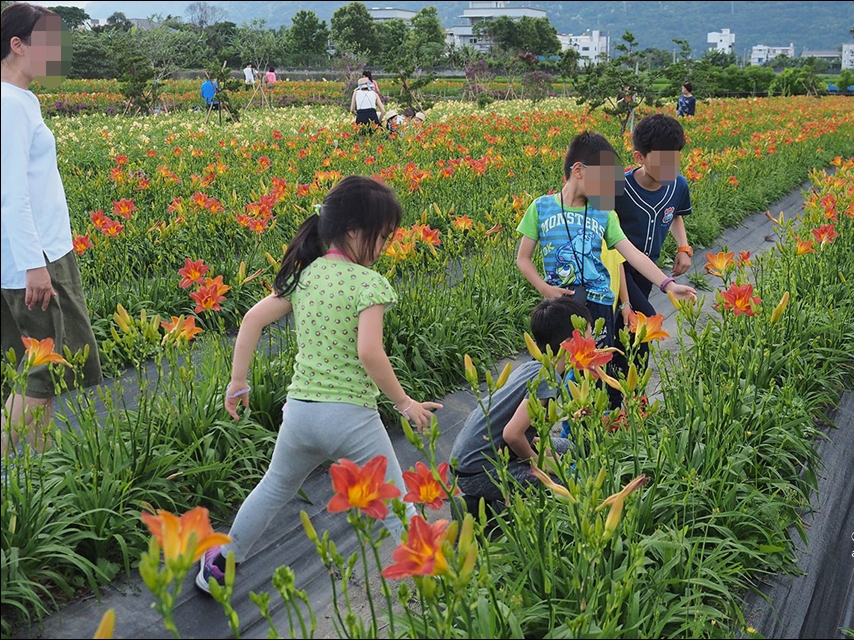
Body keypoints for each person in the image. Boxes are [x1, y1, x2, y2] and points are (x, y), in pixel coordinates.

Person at [195, 175, 443, 594]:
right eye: (380, 238)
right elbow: (369, 352)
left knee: (273, 488)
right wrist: (404, 403)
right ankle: (435, 585)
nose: (383, 248)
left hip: (302, 415)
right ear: (352, 231)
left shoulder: (305, 276)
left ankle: (219, 563)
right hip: (352, 420)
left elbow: (252, 319)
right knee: (397, 506)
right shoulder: (369, 284)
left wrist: (239, 381)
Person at [1, 2, 102, 457]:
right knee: (41, 373)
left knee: (31, 371)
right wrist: (34, 266)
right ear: (17, 45)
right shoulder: (8, 105)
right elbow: (12, 193)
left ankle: (36, 477)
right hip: (35, 262)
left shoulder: (21, 99)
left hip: (30, 256)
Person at [515, 130, 697, 361]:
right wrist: (544, 288)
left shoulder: (605, 214)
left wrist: (667, 285)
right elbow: (523, 259)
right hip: (559, 304)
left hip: (600, 305)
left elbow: (633, 254)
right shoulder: (540, 207)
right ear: (579, 170)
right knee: (552, 369)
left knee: (596, 368)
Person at [450, 296, 589, 520]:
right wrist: (540, 464)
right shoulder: (547, 376)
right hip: (480, 468)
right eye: (588, 334)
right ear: (570, 343)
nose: (592, 342)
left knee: (569, 448)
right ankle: (475, 506)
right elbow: (511, 434)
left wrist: (539, 447)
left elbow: (515, 428)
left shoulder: (534, 366)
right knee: (565, 482)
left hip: (474, 458)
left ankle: (484, 504)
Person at [614, 113, 694, 370]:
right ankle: (627, 394)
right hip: (619, 269)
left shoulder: (678, 185)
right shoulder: (618, 187)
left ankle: (623, 392)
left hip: (648, 271)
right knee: (645, 321)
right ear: (639, 157)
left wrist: (683, 248)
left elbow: (675, 215)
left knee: (627, 328)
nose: (670, 170)